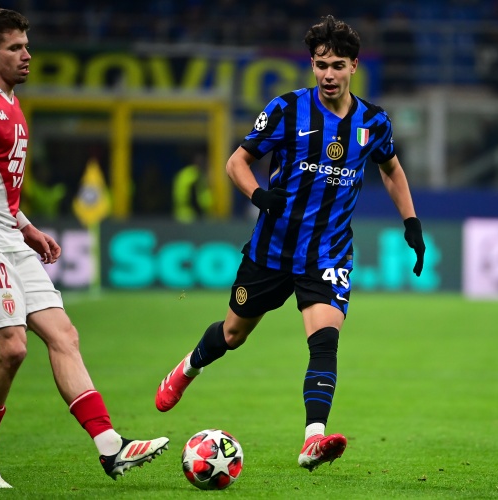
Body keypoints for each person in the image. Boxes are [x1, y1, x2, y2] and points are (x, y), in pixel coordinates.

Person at [155, 15, 426, 471]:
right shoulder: (286, 110)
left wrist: (411, 222)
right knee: (233, 334)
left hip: (328, 252)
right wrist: (259, 195)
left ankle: (313, 439)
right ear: (312, 65)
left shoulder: (374, 121)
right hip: (273, 249)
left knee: (324, 341)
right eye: (320, 64)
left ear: (354, 66)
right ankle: (188, 368)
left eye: (337, 65)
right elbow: (236, 162)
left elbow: (391, 169)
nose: (328, 74)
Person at [0, 8, 168, 489]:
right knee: (12, 347)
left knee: (64, 334)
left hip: (9, 235)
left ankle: (110, 447)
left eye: (27, 46)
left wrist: (28, 227)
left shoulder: (12, 104)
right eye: (15, 48)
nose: (27, 55)